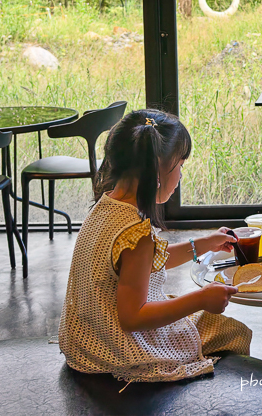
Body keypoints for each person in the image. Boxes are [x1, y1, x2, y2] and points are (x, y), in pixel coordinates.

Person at [59, 109, 252, 383]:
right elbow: (133, 317)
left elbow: (144, 262)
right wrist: (201, 298)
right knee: (234, 331)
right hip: (116, 351)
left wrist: (205, 244)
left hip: (86, 341)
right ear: (156, 173)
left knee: (187, 311)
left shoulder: (107, 205)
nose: (182, 176)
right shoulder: (135, 232)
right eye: (180, 165)